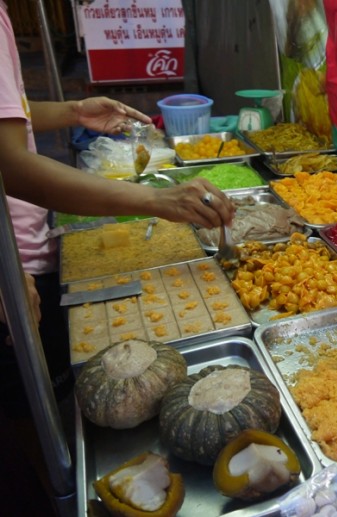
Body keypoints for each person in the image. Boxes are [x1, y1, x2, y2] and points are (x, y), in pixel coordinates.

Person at [0, 1, 235, 417]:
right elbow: (12, 166)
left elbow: (9, 113)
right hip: (14, 266)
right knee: (34, 420)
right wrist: (158, 200)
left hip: (24, 251)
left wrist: (73, 112)